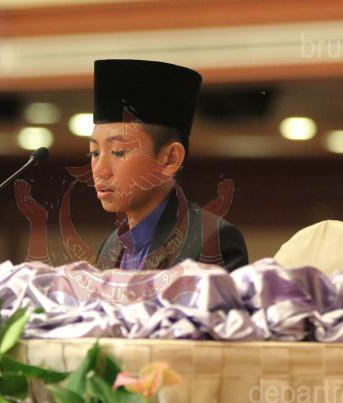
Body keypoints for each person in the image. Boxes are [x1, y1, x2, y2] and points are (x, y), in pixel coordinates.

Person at [91, 59, 248, 271]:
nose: (99, 170)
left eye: (118, 152)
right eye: (94, 153)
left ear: (170, 159)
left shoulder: (212, 240)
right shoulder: (111, 245)